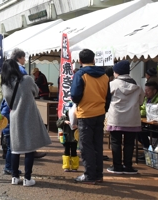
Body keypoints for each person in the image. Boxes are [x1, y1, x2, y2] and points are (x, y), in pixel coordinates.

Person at [1, 59, 51, 187]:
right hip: (29, 116)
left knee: (15, 149)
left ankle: (14, 177)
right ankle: (27, 178)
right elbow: (36, 91)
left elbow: (7, 101)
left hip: (14, 117)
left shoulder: (5, 84)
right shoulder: (27, 79)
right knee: (29, 148)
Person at [70, 49, 111, 184]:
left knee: (86, 145)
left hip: (85, 113)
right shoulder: (105, 76)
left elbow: (75, 95)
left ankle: (90, 175)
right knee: (97, 145)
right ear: (94, 59)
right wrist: (103, 109)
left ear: (80, 61)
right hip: (100, 113)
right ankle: (98, 174)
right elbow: (108, 97)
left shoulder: (80, 74)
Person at [106, 60, 144, 175]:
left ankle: (117, 166)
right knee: (129, 143)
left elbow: (106, 99)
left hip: (116, 117)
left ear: (117, 72)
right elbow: (141, 102)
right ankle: (128, 166)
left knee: (116, 142)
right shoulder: (137, 86)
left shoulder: (112, 84)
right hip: (132, 119)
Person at [138, 81, 158, 161]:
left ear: (154, 91)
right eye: (145, 90)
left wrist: (137, 110)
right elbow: (143, 108)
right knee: (136, 131)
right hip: (149, 124)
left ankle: (147, 151)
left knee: (140, 131)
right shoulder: (147, 98)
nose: (145, 93)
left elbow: (145, 111)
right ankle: (147, 150)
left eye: (148, 91)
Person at [56, 101, 79, 172]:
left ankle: (74, 167)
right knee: (66, 151)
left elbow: (82, 125)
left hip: (74, 138)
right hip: (66, 138)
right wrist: (64, 122)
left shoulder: (77, 117)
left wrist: (77, 126)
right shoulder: (64, 117)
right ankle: (66, 166)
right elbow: (57, 124)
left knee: (74, 152)